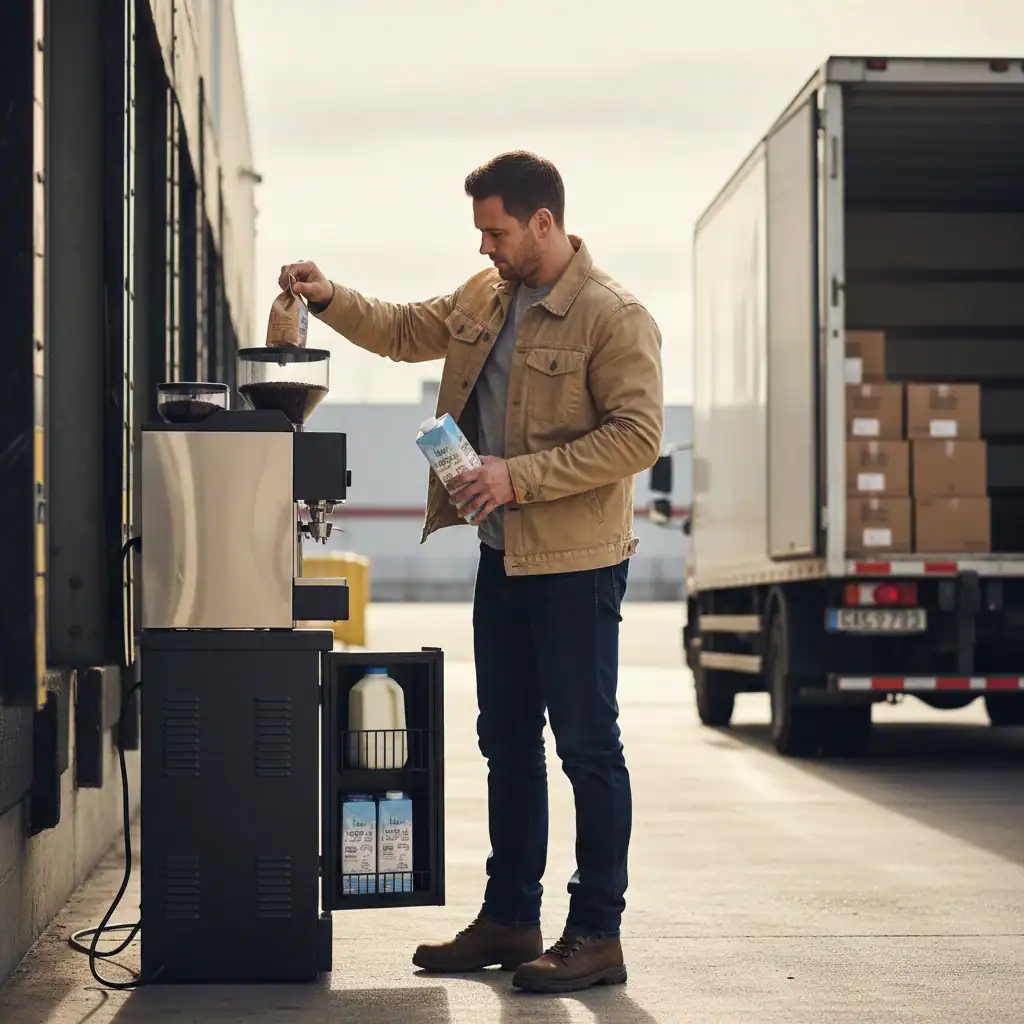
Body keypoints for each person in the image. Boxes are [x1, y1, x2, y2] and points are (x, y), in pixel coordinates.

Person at [279, 151, 664, 994]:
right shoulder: (485, 297)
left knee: (588, 747)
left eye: (495, 230)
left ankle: (597, 931)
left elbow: (637, 437)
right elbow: (407, 328)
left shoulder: (613, 316)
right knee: (506, 743)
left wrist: (515, 476)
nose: (484, 245)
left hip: (576, 566)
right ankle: (510, 916)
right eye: (479, 232)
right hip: (504, 560)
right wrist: (329, 297)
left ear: (543, 224)